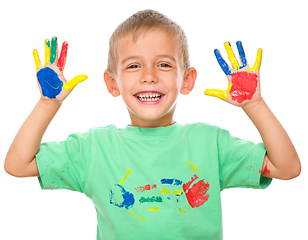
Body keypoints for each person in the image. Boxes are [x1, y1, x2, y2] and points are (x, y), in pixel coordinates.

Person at [4, 9, 301, 240]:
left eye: (164, 64)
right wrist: (48, 104)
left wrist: (254, 105)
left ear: (187, 80)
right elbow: (18, 164)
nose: (149, 75)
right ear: (112, 83)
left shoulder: (209, 143)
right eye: (134, 65)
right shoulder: (95, 148)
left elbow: (286, 167)